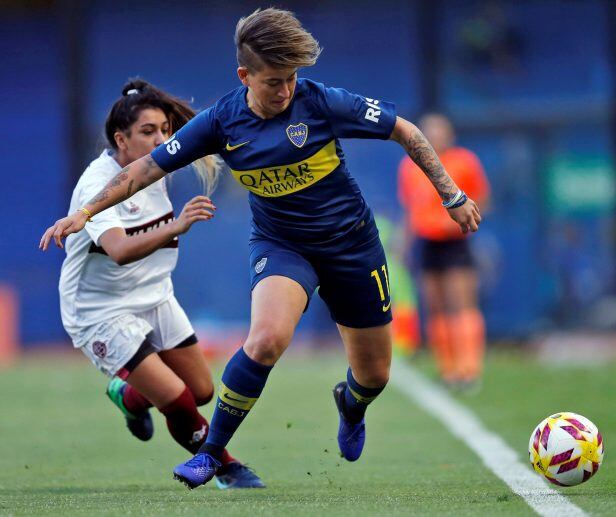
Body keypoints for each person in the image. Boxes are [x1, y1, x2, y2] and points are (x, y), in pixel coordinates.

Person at [40, 8, 482, 490]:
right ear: (244, 76)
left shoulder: (323, 103)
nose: (286, 90)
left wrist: (451, 194)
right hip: (282, 244)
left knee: (374, 374)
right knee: (267, 339)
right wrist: (84, 213)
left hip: (352, 244)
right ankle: (211, 455)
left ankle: (351, 404)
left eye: (292, 78)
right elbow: (141, 171)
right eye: (274, 81)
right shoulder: (221, 122)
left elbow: (406, 131)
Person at [52, 79, 263, 489]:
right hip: (100, 311)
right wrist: (179, 224)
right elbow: (119, 250)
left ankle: (128, 396)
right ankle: (225, 467)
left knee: (201, 390)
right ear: (121, 139)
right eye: (149, 132)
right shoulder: (99, 184)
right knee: (177, 399)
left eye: (166, 130)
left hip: (155, 297)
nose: (162, 139)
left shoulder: (157, 168)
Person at [398, 114, 489, 389]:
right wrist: (406, 241)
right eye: (429, 132)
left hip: (454, 240)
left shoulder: (464, 161)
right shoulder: (410, 166)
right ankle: (448, 368)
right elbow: (411, 208)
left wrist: (465, 221)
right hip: (427, 241)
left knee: (461, 303)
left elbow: (482, 198)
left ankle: (469, 368)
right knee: (435, 305)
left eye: (440, 131)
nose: (435, 136)